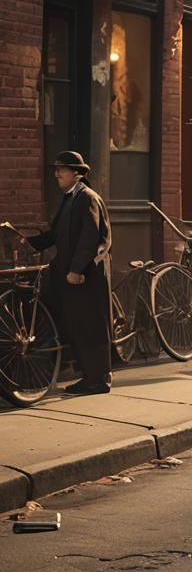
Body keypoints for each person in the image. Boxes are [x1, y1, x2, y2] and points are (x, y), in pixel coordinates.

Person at [23, 151, 112, 395]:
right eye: (56, 169)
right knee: (77, 325)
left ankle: (99, 380)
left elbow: (90, 239)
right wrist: (30, 243)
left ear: (77, 173)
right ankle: (88, 377)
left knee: (90, 326)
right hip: (70, 275)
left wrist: (76, 270)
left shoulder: (87, 198)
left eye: (61, 169)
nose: (56, 174)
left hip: (86, 276)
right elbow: (56, 234)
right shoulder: (70, 198)